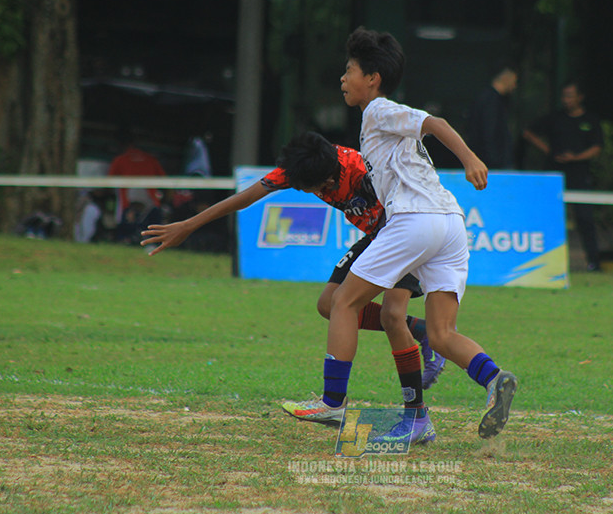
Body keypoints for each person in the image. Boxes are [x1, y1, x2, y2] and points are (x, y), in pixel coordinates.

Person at [282, 27, 518, 444]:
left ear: (372, 78)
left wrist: (470, 158)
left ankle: (332, 401)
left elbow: (435, 123)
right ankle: (492, 379)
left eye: (350, 70)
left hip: (415, 219)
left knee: (342, 302)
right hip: (450, 223)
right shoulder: (376, 121)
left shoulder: (377, 110)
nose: (343, 78)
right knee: (440, 333)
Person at [139, 132, 447, 404]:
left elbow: (412, 202)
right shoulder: (304, 165)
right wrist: (187, 225)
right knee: (329, 304)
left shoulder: (364, 174)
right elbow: (246, 197)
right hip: (376, 236)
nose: (306, 192)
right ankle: (419, 330)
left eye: (310, 189)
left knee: (391, 316)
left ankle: (414, 411)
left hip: (404, 233)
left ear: (328, 181)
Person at [523, 81, 604, 272]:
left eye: (570, 96)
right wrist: (548, 151)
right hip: (554, 174)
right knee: (548, 217)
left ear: (580, 97)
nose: (566, 100)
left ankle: (594, 262)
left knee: (584, 218)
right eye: (564, 96)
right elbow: (528, 132)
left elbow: (597, 147)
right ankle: (543, 262)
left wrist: (576, 158)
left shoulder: (590, 120)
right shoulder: (555, 118)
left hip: (580, 175)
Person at [108, 126, 167, 244]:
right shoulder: (150, 159)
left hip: (130, 204)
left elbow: (109, 182)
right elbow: (164, 180)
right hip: (151, 203)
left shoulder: (120, 159)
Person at [465, 66, 518, 169]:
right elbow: (489, 130)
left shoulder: (488, 98)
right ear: (506, 78)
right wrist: (494, 159)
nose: (514, 86)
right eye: (514, 81)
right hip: (493, 162)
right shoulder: (491, 101)